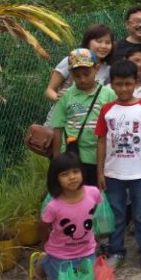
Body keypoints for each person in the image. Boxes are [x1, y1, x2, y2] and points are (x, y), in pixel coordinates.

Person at [95, 60, 141, 271]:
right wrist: (100, 172)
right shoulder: (107, 110)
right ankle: (116, 251)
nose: (123, 89)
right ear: (111, 84)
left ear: (136, 83)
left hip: (139, 172)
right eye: (118, 84)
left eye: (128, 84)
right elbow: (101, 141)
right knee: (117, 214)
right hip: (113, 172)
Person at [49, 49, 116, 186]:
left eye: (86, 74)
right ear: (70, 73)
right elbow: (58, 128)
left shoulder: (109, 95)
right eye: (77, 75)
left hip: (99, 157)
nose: (82, 79)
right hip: (72, 156)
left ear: (96, 69)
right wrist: (56, 160)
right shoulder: (66, 96)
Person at [34, 152, 102, 280]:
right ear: (55, 179)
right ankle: (44, 261)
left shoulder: (93, 193)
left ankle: (47, 260)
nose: (72, 177)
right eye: (64, 174)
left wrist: (96, 233)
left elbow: (97, 214)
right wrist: (46, 243)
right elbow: (43, 226)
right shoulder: (53, 206)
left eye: (76, 172)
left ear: (82, 172)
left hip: (87, 251)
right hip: (60, 254)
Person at [44, 24, 114, 102]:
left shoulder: (108, 69)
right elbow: (49, 90)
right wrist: (60, 99)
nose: (104, 46)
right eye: (99, 41)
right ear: (88, 42)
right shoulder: (71, 60)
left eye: (108, 42)